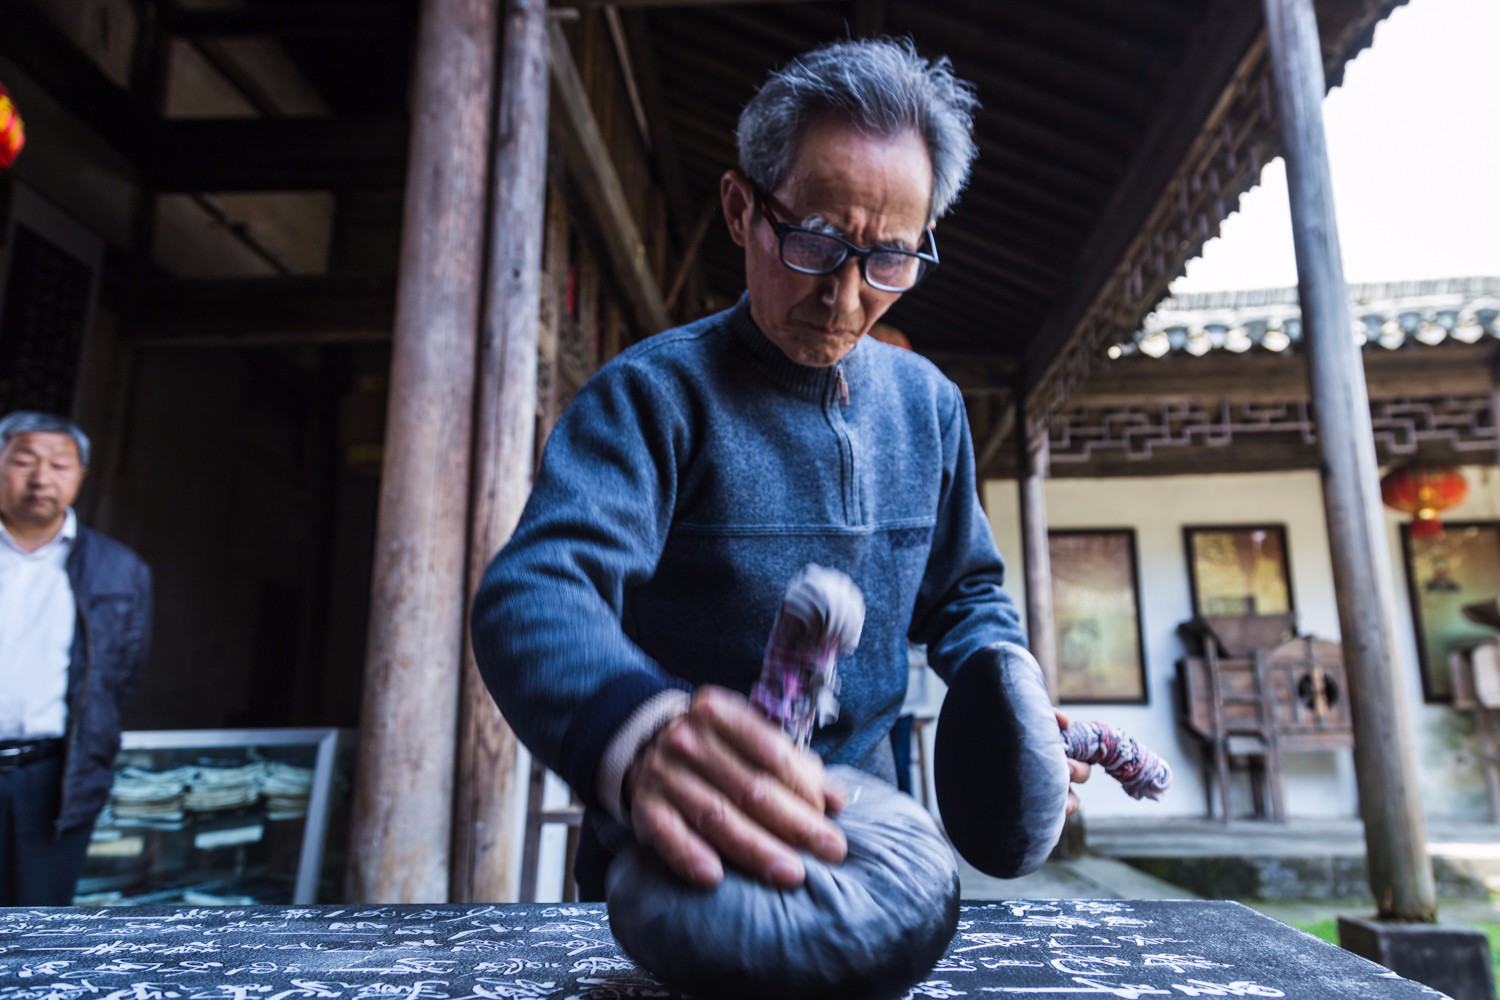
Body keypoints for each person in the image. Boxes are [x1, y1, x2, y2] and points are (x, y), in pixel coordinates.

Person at [472, 37, 1086, 901]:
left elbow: (965, 594)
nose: (845, 296)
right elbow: (535, 592)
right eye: (816, 241)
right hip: (676, 857)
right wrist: (643, 737)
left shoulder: (930, 408)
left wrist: (1010, 693)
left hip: (867, 853)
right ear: (741, 209)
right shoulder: (652, 398)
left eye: (890, 258)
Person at [0, 411, 152, 905]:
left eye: (59, 465)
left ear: (80, 476)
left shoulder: (119, 569)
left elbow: (119, 678)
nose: (41, 478)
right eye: (24, 461)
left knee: (38, 934)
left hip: (53, 780)